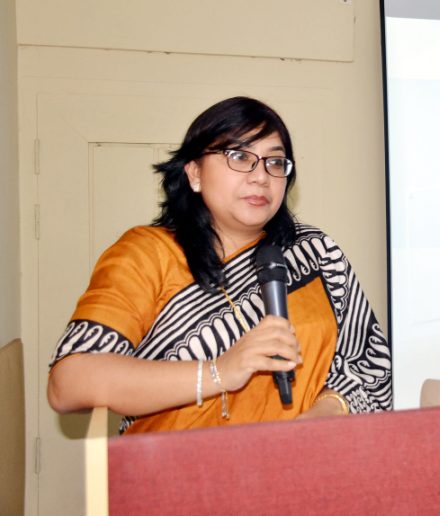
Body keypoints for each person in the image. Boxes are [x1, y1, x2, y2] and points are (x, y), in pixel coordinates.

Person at [47, 96, 392, 433]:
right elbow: (70, 382)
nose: (261, 177)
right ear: (194, 172)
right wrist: (219, 371)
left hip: (305, 470)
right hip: (179, 478)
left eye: (275, 162)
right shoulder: (146, 254)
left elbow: (369, 365)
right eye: (240, 156)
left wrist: (330, 409)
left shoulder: (314, 252)